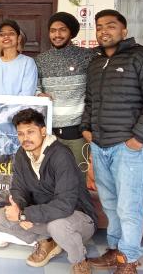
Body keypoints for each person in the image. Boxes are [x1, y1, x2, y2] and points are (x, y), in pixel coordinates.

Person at [81, 9, 143, 274]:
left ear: (124, 30)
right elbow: (90, 100)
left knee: (129, 205)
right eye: (99, 27)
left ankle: (128, 260)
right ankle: (116, 250)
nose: (103, 31)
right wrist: (87, 128)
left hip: (129, 148)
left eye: (110, 25)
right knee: (110, 203)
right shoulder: (96, 63)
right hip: (101, 145)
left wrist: (139, 138)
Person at [0, 108, 97, 274]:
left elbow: (65, 205)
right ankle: (46, 241)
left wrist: (26, 215)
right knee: (0, 218)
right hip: (44, 217)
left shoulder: (60, 155)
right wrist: (19, 207)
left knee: (58, 226)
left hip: (77, 218)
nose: (25, 138)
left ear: (42, 131)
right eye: (20, 134)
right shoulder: (22, 154)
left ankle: (80, 260)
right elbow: (19, 187)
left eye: (30, 132)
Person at [35, 12, 95, 168]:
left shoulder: (87, 57)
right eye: (53, 30)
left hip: (77, 131)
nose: (57, 34)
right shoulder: (41, 60)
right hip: (50, 132)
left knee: (77, 177)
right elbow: (36, 86)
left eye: (62, 30)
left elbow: (94, 90)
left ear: (71, 33)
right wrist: (38, 94)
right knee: (52, 177)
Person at [0, 19, 37, 95]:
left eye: (11, 33)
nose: (6, 37)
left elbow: (27, 94)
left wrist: (5, 107)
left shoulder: (28, 63)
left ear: (19, 38)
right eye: (2, 34)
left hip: (20, 107)